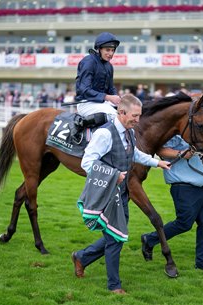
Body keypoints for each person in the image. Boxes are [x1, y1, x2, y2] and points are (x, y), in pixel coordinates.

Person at [71, 94, 171, 295]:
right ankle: (114, 285)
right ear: (121, 112)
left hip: (122, 193)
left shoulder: (130, 132)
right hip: (107, 194)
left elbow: (134, 153)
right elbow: (86, 162)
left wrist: (156, 162)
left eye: (140, 115)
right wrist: (113, 174)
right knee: (116, 237)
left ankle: (82, 257)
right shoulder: (105, 134)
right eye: (135, 115)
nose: (138, 120)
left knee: (115, 235)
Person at [141, 135, 203, 273]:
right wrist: (181, 153)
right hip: (184, 186)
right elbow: (160, 150)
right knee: (184, 223)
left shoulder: (202, 128)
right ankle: (150, 239)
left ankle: (202, 263)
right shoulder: (176, 133)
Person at [74, 32, 122, 129]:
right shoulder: (89, 61)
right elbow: (84, 90)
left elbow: (111, 88)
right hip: (86, 103)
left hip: (102, 103)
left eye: (112, 50)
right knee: (115, 117)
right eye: (107, 50)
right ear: (99, 49)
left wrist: (119, 100)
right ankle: (81, 128)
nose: (110, 54)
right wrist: (108, 97)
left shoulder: (109, 66)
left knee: (125, 113)